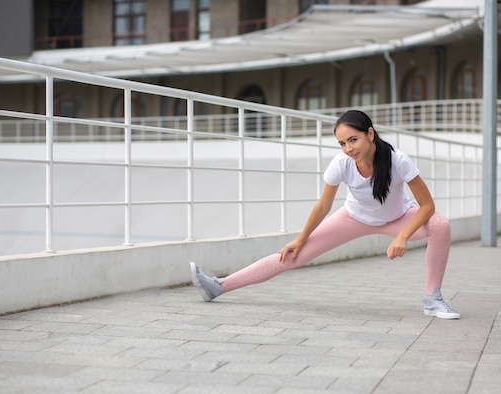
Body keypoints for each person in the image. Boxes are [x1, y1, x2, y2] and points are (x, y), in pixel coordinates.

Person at [190, 110, 460, 319]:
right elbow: (323, 205)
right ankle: (219, 286)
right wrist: (301, 238)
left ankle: (432, 298)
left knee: (440, 224)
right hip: (352, 218)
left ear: (370, 133)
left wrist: (402, 236)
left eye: (353, 140)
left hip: (397, 218)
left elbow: (427, 205)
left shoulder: (398, 160)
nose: (348, 148)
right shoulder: (341, 164)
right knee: (291, 255)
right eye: (342, 143)